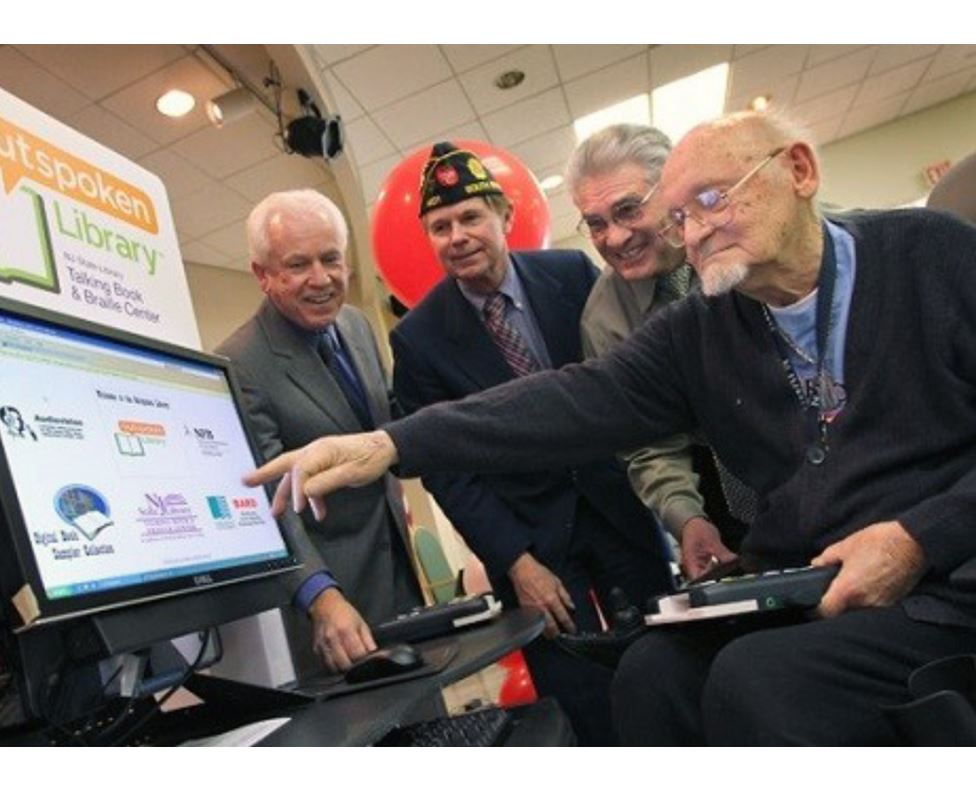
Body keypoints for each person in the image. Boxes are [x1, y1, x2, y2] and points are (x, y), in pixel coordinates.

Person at [245, 110, 976, 745]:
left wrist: (919, 536)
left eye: (711, 200)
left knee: (759, 680)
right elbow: (573, 399)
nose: (695, 233)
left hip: (944, 573)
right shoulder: (703, 326)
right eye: (681, 218)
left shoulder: (932, 255)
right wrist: (392, 443)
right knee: (651, 672)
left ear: (799, 171)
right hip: (812, 579)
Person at [388, 141, 670, 744]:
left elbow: (625, 386)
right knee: (582, 706)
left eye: (470, 217)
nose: (457, 237)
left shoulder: (571, 276)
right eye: (440, 226)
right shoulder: (419, 339)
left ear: (505, 217)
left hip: (619, 512)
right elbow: (448, 473)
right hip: (530, 548)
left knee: (669, 671)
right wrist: (516, 562)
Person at [216, 189, 421, 673]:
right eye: (298, 264)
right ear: (263, 275)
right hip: (335, 605)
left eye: (331, 259)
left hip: (399, 572)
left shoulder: (356, 325)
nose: (321, 278)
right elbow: (266, 501)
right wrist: (321, 595)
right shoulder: (238, 363)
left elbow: (385, 425)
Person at [567, 123, 749, 578]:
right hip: (716, 492)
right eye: (596, 224)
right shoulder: (603, 317)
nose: (614, 238)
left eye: (628, 210)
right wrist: (686, 518)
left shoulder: (738, 242)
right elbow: (645, 440)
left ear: (671, 191)